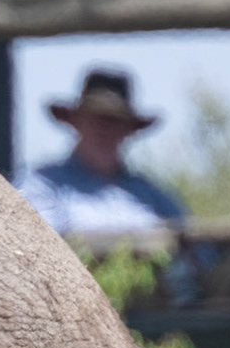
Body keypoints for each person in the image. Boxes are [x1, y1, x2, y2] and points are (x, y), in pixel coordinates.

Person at [19, 68, 186, 238]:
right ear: (76, 121)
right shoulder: (44, 185)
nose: (104, 128)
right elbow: (36, 245)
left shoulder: (150, 194)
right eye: (95, 117)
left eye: (115, 119)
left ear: (129, 128)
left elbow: (199, 250)